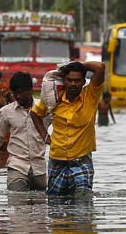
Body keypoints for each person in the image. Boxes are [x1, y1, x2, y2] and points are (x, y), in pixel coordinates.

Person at [31, 61, 105, 196]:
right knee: (55, 205)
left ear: (83, 82)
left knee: (83, 203)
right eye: (69, 80)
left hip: (81, 160)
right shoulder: (54, 98)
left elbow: (100, 67)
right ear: (63, 80)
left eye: (77, 80)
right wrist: (45, 136)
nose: (73, 84)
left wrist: (73, 65)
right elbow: (35, 113)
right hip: (57, 160)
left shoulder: (90, 95)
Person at [0, 72, 48, 191]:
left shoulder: (44, 110)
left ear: (30, 90)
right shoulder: (6, 112)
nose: (18, 96)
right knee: (16, 201)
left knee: (41, 206)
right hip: (16, 166)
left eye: (21, 92)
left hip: (39, 167)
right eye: (15, 93)